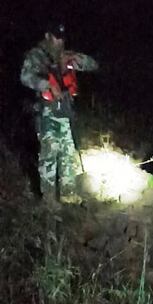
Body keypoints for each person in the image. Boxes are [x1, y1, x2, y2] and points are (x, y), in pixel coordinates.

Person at [20, 23, 98, 204]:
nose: (60, 41)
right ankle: (48, 199)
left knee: (68, 152)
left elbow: (93, 65)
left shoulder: (65, 56)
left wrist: (76, 58)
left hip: (65, 111)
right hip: (46, 111)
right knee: (49, 153)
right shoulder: (36, 56)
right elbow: (25, 77)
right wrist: (47, 85)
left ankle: (68, 192)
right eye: (56, 37)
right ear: (48, 36)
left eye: (62, 37)